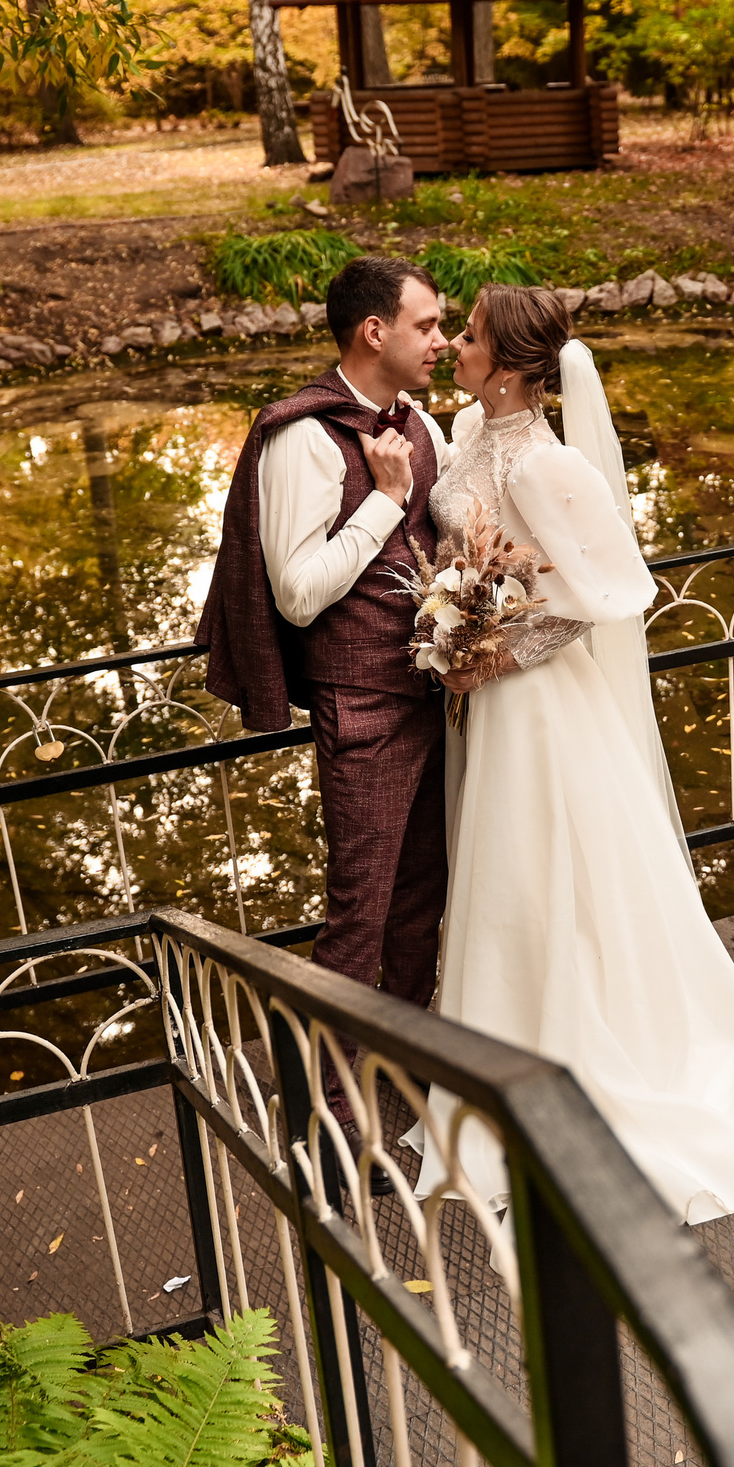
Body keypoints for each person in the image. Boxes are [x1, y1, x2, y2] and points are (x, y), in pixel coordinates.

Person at [407, 284, 734, 1223]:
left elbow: (608, 594)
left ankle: (572, 1064)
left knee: (543, 880)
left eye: (469, 339)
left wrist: (490, 651)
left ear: (512, 367)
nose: (459, 350)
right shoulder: (472, 434)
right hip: (486, 703)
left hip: (541, 710)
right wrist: (451, 616)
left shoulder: (551, 467)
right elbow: (461, 547)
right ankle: (494, 1057)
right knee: (503, 885)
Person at [195, 257, 454, 1052]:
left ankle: (405, 1079)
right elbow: (299, 594)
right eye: (427, 325)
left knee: (422, 905)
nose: (442, 339)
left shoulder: (421, 423)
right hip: (363, 711)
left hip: (439, 698)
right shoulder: (301, 437)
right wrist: (382, 501)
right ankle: (330, 1115)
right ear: (375, 332)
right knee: (360, 919)